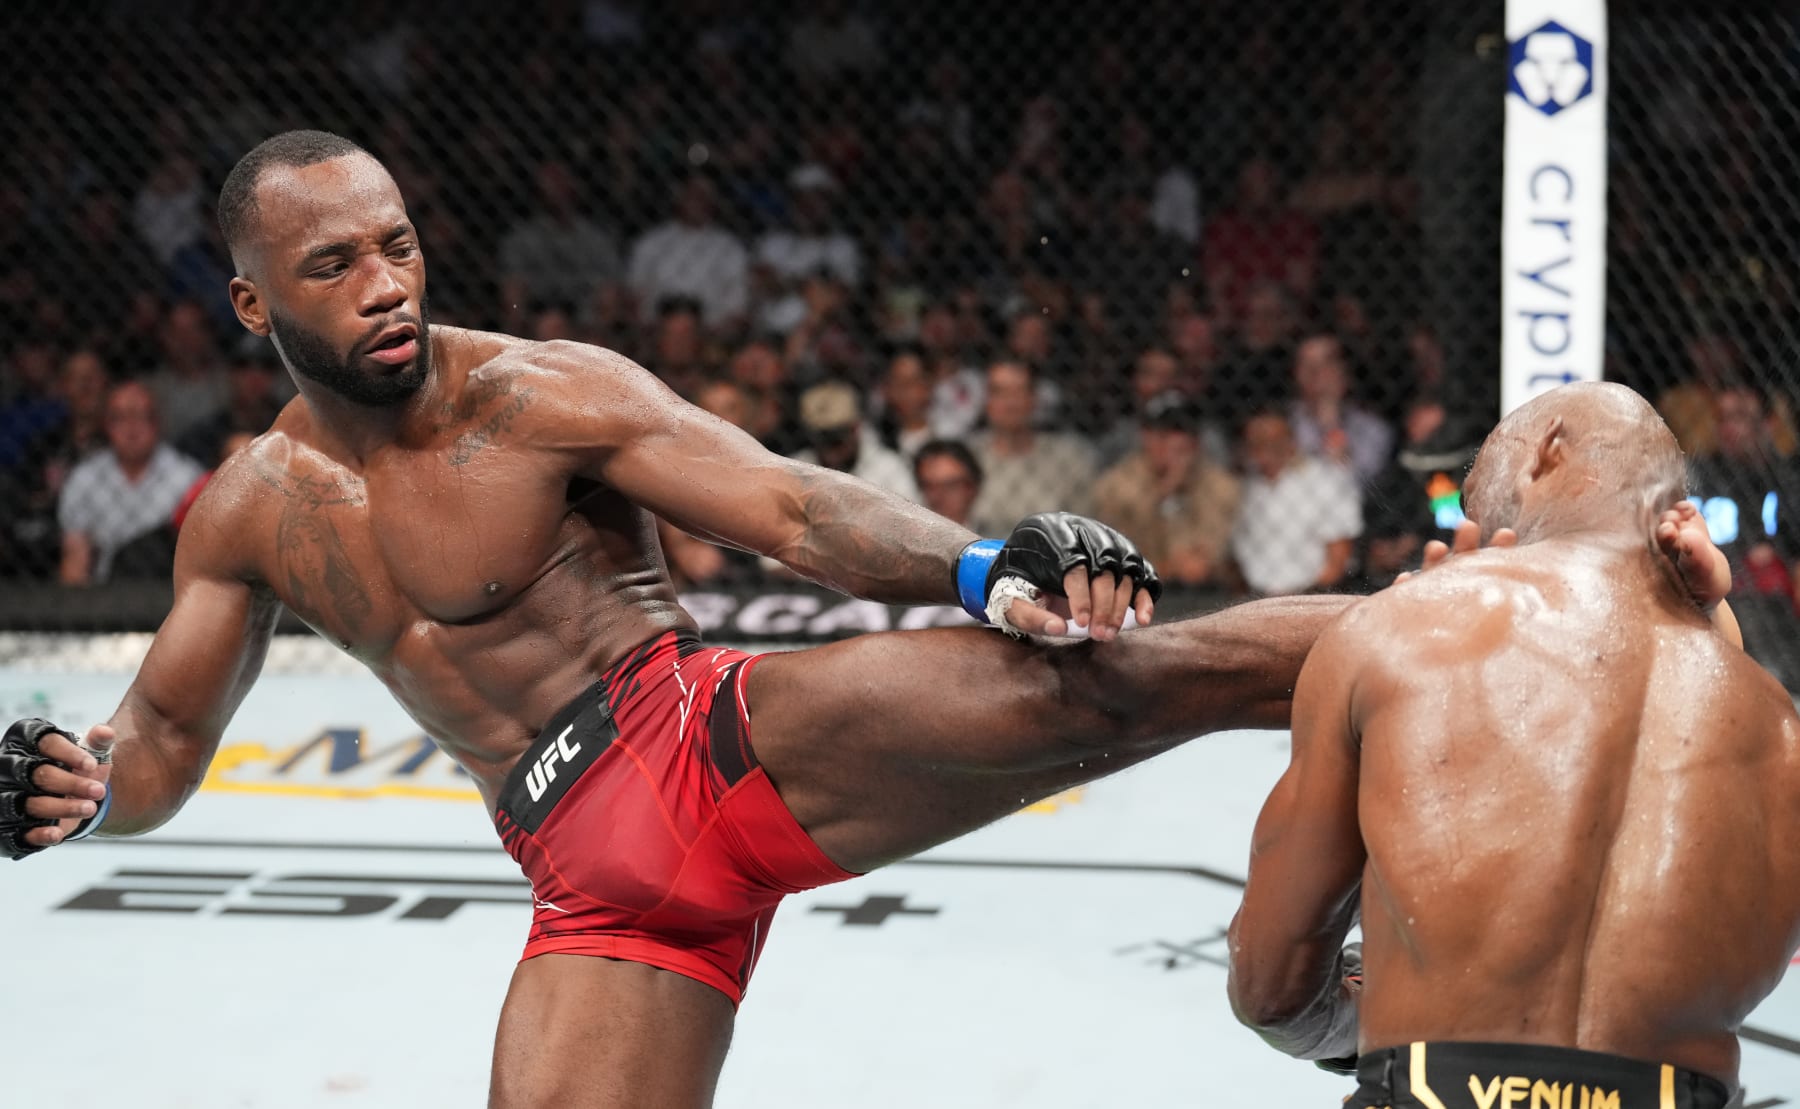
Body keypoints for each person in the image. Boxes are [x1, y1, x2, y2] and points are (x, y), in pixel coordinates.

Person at [0, 130, 1356, 1109]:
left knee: (1134, 680)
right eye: (336, 261)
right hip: (592, 890)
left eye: (399, 243)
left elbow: (791, 508)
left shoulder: (532, 397)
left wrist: (981, 564)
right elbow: (163, 740)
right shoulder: (249, 509)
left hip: (701, 747)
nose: (388, 282)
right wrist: (83, 786)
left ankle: (1472, 627)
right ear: (253, 302)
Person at [1227, 383, 1782, 1108]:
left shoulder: (1398, 633)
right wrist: (1709, 624)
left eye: (1473, 484)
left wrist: (1368, 1013)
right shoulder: (1778, 726)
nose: (1469, 516)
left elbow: (1270, 987)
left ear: (1548, 448)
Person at [56, 380, 204, 585]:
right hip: (106, 593)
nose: (131, 428)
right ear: (106, 425)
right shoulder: (85, 478)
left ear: (157, 423)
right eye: (120, 418)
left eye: (141, 417)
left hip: (170, 590)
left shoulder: (187, 477)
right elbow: (75, 561)